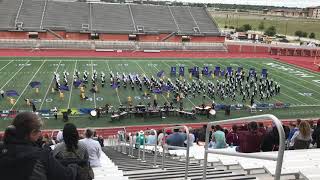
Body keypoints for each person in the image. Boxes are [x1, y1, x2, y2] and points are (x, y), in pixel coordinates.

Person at [0, 112, 77, 180]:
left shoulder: (2, 149)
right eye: (39, 130)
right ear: (33, 133)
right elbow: (66, 176)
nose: (40, 132)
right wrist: (74, 166)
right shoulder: (40, 155)